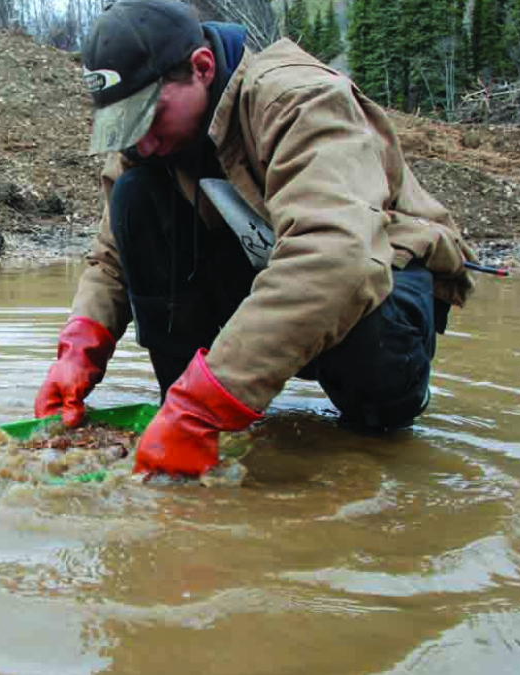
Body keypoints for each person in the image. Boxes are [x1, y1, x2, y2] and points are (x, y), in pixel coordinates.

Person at [34, 0, 478, 479]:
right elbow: (111, 259)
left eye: (149, 117)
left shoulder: (297, 99)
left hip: (376, 276)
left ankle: (227, 409)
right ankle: (187, 417)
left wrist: (204, 406)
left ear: (201, 69)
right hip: (262, 276)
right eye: (126, 127)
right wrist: (81, 346)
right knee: (134, 194)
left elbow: (338, 258)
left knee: (373, 398)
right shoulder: (148, 146)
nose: (141, 143)